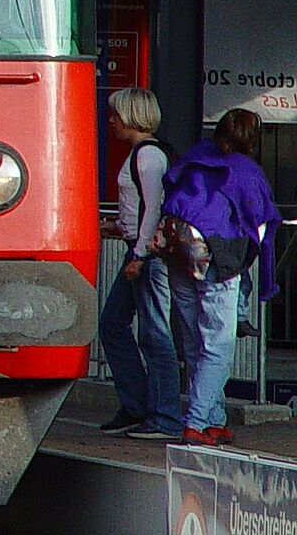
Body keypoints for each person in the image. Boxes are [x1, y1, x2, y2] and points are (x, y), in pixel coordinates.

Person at [158, 107, 282, 447]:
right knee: (218, 347)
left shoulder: (195, 157)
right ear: (252, 141)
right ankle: (197, 422)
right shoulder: (248, 172)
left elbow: (171, 187)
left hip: (179, 254)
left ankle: (215, 419)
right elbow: (260, 220)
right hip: (218, 258)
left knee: (194, 343)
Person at [94, 88, 179, 439]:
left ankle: (163, 415)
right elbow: (145, 208)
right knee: (115, 324)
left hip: (146, 255)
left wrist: (139, 255)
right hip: (140, 249)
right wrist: (119, 227)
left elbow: (153, 209)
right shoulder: (146, 154)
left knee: (153, 333)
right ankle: (140, 407)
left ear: (131, 116)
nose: (111, 120)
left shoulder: (147, 156)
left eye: (116, 114)